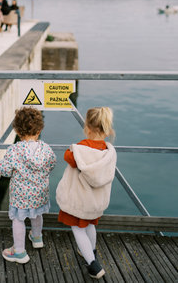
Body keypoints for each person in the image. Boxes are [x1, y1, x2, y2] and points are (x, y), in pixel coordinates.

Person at [56, 107, 117, 279]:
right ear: (107, 129)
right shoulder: (109, 153)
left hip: (79, 201)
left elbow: (67, 157)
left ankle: (93, 265)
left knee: (77, 229)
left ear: (87, 127)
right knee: (90, 225)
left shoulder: (79, 150)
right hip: (96, 202)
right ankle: (91, 251)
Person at [0, 107, 56, 264]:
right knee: (37, 214)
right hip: (40, 192)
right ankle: (37, 238)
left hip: (20, 195)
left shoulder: (14, 150)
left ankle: (19, 252)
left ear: (17, 131)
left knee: (18, 219)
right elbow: (52, 163)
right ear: (39, 129)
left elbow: (4, 170)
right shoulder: (45, 148)